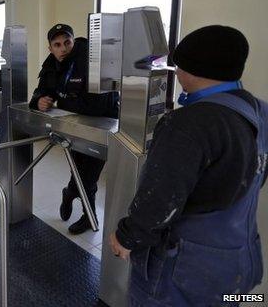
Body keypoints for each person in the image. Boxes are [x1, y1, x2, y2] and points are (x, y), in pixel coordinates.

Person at [109, 25, 266, 306]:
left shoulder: (187, 124)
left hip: (183, 273)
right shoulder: (260, 111)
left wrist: (126, 237)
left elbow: (159, 201)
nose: (177, 73)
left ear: (191, 71)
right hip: (237, 266)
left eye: (179, 66)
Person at [29, 23, 119, 234]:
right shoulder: (51, 64)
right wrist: (39, 101)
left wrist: (61, 102)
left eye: (67, 42)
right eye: (57, 45)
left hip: (102, 127)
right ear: (50, 48)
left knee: (89, 175)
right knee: (79, 170)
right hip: (73, 127)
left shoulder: (92, 59)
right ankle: (74, 197)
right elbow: (39, 93)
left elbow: (98, 105)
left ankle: (84, 209)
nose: (63, 48)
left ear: (73, 40)